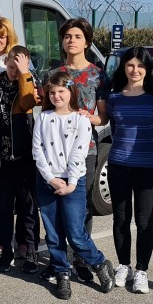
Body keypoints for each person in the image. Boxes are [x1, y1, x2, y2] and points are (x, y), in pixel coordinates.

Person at [33, 71, 114, 300]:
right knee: (53, 232)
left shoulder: (81, 119)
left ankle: (99, 263)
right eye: (52, 92)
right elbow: (37, 150)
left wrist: (70, 182)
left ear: (71, 93)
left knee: (76, 233)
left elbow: (79, 153)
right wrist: (50, 178)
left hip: (73, 181)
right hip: (47, 180)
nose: (57, 96)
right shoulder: (43, 117)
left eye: (61, 91)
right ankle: (61, 272)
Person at [46, 17, 106, 283]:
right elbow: (47, 111)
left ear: (87, 42)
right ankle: (60, 261)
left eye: (77, 36)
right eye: (68, 36)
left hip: (86, 150)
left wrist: (86, 117)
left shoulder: (97, 74)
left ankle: (82, 256)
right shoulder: (53, 74)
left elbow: (102, 118)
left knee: (82, 207)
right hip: (55, 150)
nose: (72, 40)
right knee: (56, 207)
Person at [105, 46, 153, 293]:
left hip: (147, 168)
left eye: (140, 66)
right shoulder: (114, 97)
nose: (135, 70)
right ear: (123, 67)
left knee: (144, 222)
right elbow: (111, 127)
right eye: (130, 65)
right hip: (118, 165)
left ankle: (141, 270)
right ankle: (124, 265)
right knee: (121, 218)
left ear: (148, 69)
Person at [0, 44, 40, 273]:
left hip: (25, 156)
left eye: (18, 68)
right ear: (5, 63)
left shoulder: (28, 83)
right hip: (2, 158)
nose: (13, 71)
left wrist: (24, 74)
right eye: (11, 66)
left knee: (28, 206)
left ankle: (30, 251)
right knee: (3, 208)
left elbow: (29, 103)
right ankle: (6, 251)